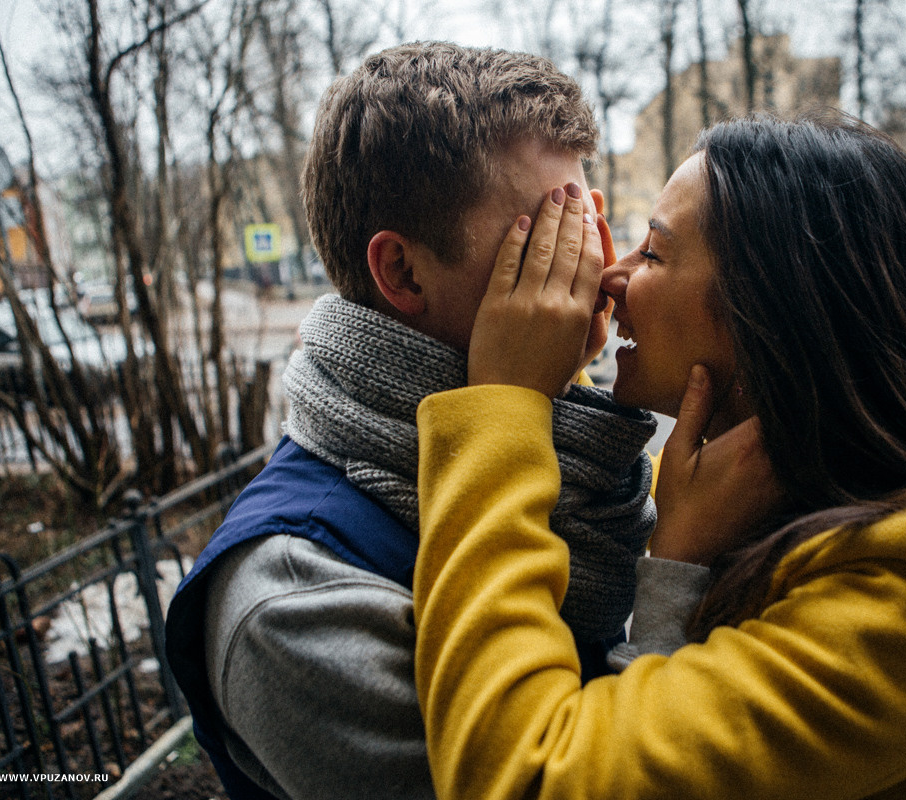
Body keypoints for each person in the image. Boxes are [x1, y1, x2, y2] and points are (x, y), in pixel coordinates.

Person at [411, 112, 906, 800]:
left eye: (655, 254)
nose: (613, 276)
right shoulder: (770, 509)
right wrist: (677, 567)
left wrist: (502, 404)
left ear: (773, 311)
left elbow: (529, 775)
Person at [164, 42, 660, 800]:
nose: (599, 270)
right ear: (401, 271)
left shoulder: (578, 468)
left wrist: (548, 383)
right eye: (548, 240)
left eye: (586, 225)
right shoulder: (296, 601)